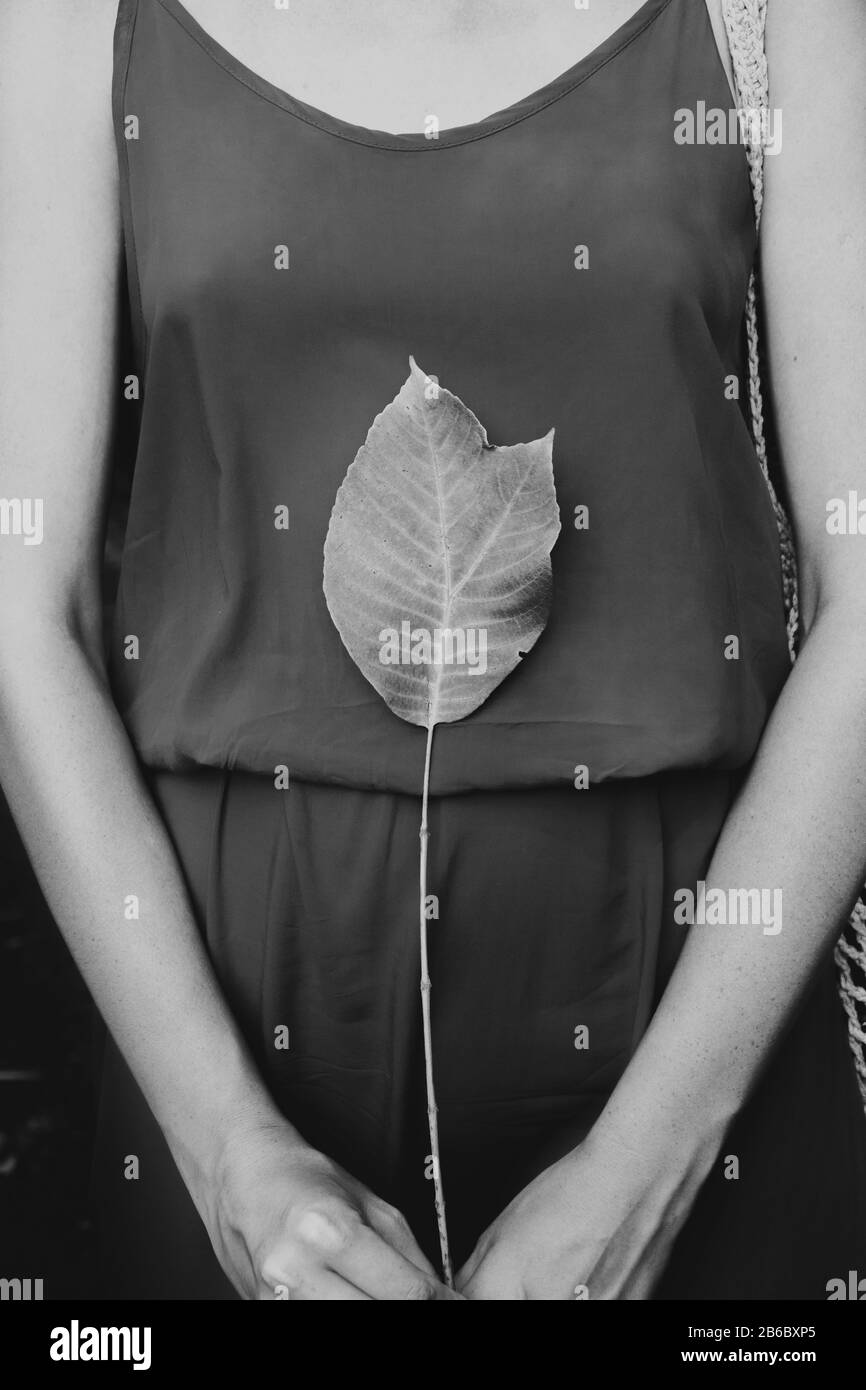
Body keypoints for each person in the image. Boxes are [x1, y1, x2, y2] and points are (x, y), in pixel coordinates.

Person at [1, 0, 864, 1301]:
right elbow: (21, 607)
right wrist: (229, 1151)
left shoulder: (781, 17)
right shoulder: (68, 19)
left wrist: (654, 1161)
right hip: (219, 1023)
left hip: (707, 996)